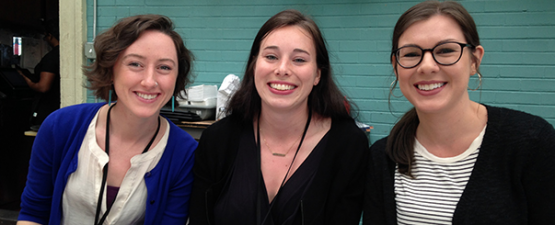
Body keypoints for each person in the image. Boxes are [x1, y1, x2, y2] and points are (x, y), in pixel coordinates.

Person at [363, 1, 555, 224]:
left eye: (445, 50)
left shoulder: (531, 143)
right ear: (396, 65)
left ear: (474, 60)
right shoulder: (383, 157)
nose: (426, 66)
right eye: (411, 54)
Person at [189, 9, 369, 225]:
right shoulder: (217, 141)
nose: (282, 69)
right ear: (254, 65)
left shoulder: (348, 146)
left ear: (318, 74)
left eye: (299, 59)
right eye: (271, 56)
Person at [17, 14, 197, 225]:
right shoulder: (61, 127)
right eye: (135, 64)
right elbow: (33, 214)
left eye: (164, 67)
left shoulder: (184, 152)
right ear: (111, 70)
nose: (150, 81)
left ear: (177, 79)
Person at [17, 19, 60, 130]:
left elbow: (43, 87)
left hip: (47, 110)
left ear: (50, 36)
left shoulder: (51, 58)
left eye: (45, 37)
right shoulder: (64, 54)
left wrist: (27, 80)